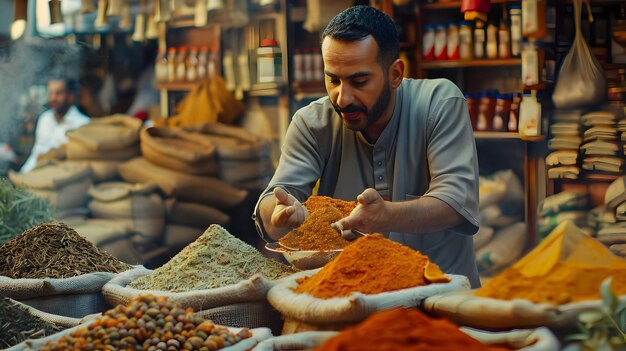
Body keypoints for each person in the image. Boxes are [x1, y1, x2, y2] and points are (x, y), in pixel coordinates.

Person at [253, 6, 481, 287]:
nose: (342, 98)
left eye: (359, 81)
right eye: (333, 80)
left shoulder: (439, 103)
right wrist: (279, 216)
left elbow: (455, 202)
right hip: (352, 303)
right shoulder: (312, 124)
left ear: (395, 74)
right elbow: (272, 201)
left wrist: (386, 216)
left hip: (439, 302)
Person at [20, 78, 91, 173]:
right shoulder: (45, 119)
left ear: (70, 96)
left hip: (63, 178)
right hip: (37, 175)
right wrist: (22, 174)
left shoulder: (83, 124)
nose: (53, 98)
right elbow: (37, 153)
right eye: (50, 93)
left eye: (58, 93)